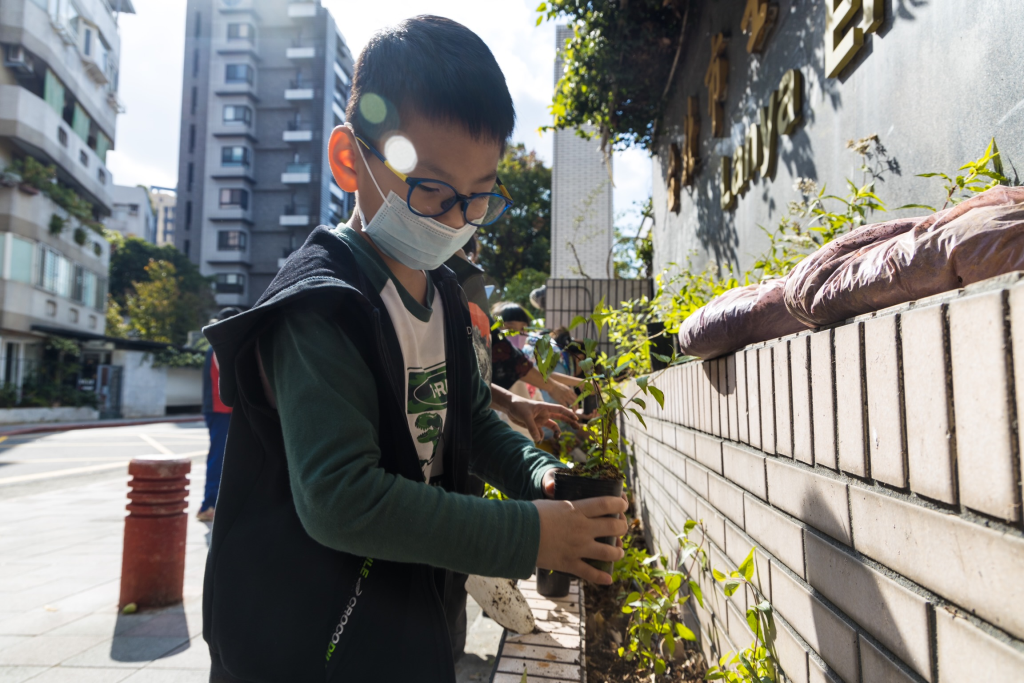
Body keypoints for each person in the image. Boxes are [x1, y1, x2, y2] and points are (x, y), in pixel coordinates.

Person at [201, 16, 626, 682]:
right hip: (302, 644)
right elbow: (343, 497)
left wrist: (536, 475)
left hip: (407, 628)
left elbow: (471, 420)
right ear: (350, 160)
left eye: (479, 198)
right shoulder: (321, 308)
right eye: (431, 190)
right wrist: (531, 533)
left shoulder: (447, 296)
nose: (456, 220)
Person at [197, 306, 240, 523]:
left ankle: (217, 503)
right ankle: (209, 504)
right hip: (221, 410)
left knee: (224, 457)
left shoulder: (216, 347)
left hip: (219, 410)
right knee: (218, 457)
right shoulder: (221, 348)